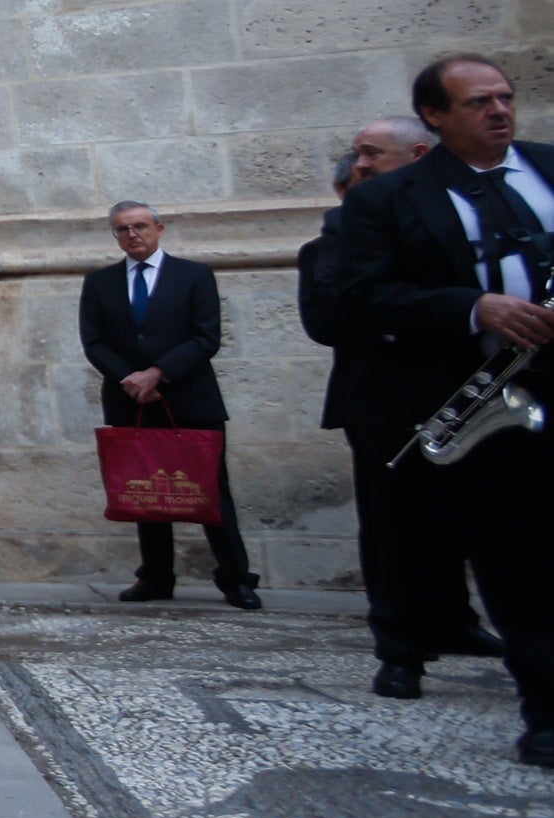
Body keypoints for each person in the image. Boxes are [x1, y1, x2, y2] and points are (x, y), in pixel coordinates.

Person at [335, 54, 554, 765]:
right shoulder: (388, 201)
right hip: (491, 397)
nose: (498, 111)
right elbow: (359, 299)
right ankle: (546, 709)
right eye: (477, 102)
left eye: (504, 97)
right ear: (434, 115)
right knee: (519, 559)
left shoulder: (549, 169)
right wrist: (472, 307)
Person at [300, 116, 490, 695]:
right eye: (356, 156)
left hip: (463, 392)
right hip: (381, 399)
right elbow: (331, 317)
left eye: (371, 154)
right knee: (392, 526)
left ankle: (457, 621)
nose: (360, 164)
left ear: (419, 155)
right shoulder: (333, 243)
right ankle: (401, 649)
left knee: (472, 518)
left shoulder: (456, 224)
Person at [79, 203, 261, 609]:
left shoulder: (194, 276)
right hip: (131, 401)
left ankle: (237, 579)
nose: (133, 235)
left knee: (212, 491)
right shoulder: (99, 282)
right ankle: (156, 577)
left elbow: (205, 336)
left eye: (140, 226)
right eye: (123, 230)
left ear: (158, 229)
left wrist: (159, 373)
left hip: (190, 399)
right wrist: (132, 378)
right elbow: (94, 341)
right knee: (143, 491)